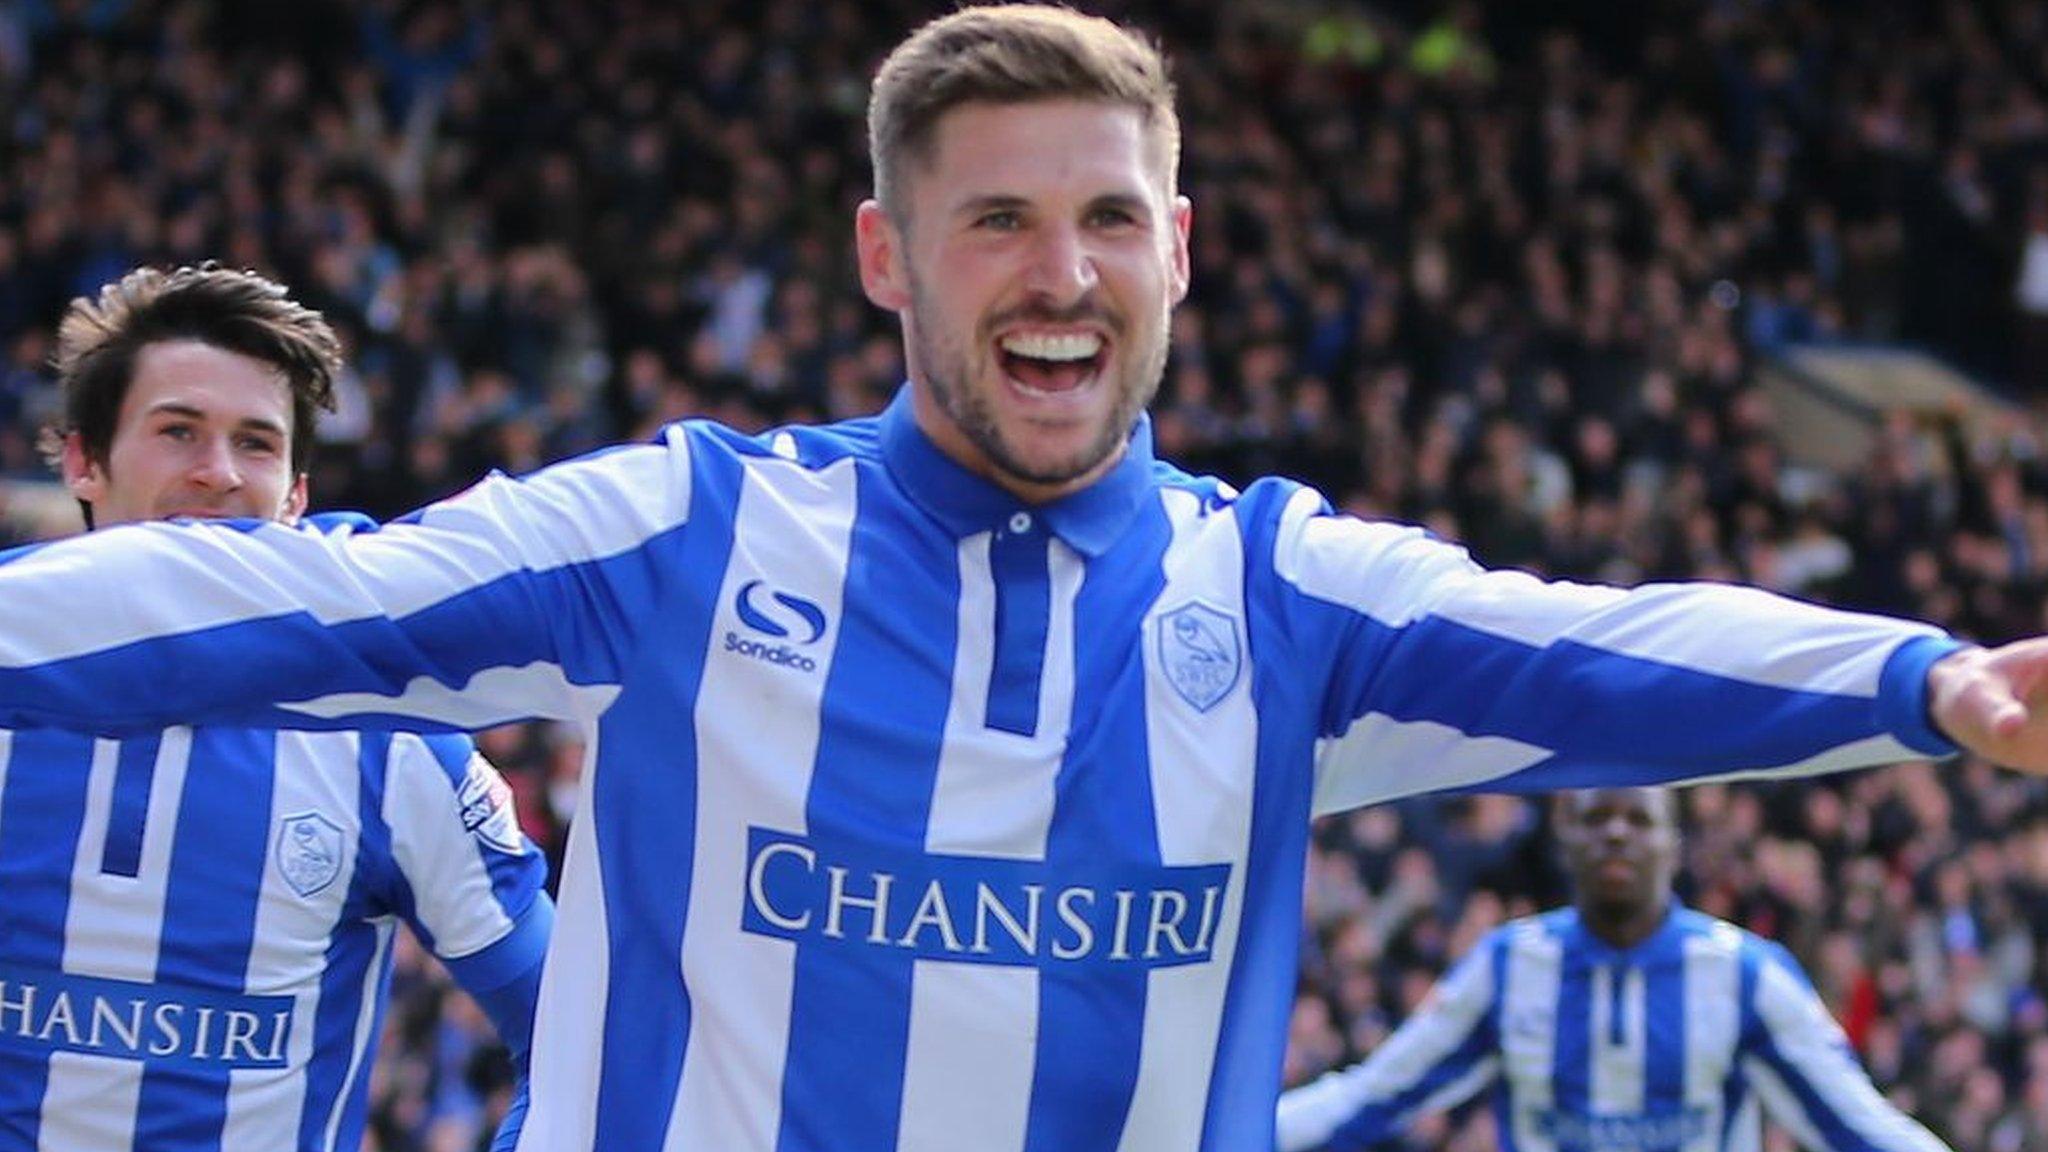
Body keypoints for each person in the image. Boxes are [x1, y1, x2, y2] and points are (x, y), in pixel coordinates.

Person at [0, 7, 2045, 1150]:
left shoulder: (1280, 601)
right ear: (887, 258)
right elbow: (290, 599)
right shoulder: (684, 537)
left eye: (1102, 220)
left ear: (1179, 247)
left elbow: (1590, 650)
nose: (1058, 277)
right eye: (993, 223)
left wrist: (1929, 681)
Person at [0, 264, 553, 1151]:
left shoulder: (390, 741)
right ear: (83, 460)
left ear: (297, 496)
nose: (218, 474)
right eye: (178, 431)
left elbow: (572, 1039)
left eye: (256, 444)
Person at [1276, 788, 1951, 1152]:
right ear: (1565, 838)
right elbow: (1373, 1099)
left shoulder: (1745, 974)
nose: (1617, 833)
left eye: (1639, 818)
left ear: (1673, 842)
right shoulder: (1508, 968)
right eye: (1595, 817)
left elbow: (1859, 1126)